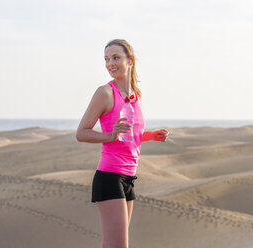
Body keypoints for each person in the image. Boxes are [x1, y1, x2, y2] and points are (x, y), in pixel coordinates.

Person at [76, 39, 169, 248]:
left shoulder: (135, 97)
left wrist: (151, 135)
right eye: (107, 59)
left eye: (116, 57)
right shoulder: (105, 93)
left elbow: (130, 135)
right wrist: (110, 136)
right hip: (110, 176)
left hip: (128, 178)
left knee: (112, 245)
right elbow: (81, 133)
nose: (110, 64)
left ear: (131, 61)